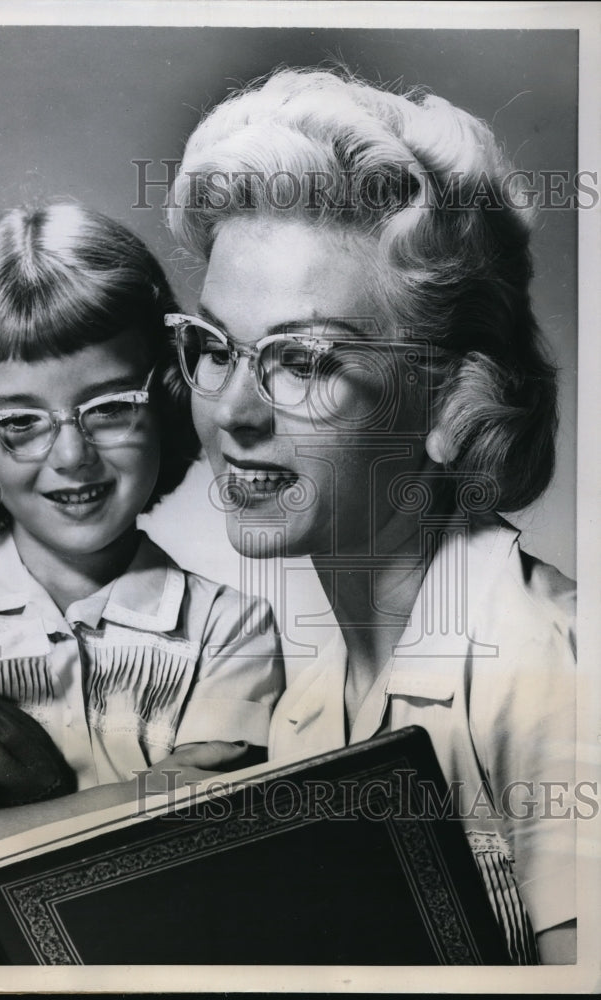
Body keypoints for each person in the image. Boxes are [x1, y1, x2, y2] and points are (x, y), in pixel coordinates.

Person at [163, 68, 577, 964]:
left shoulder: (550, 675)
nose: (235, 411)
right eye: (214, 348)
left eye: (305, 361)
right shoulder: (312, 700)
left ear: (452, 400)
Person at [0, 202, 283, 898]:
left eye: (111, 407)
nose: (71, 455)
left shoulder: (227, 630)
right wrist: (145, 797)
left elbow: (199, 824)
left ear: (168, 396)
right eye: (20, 421)